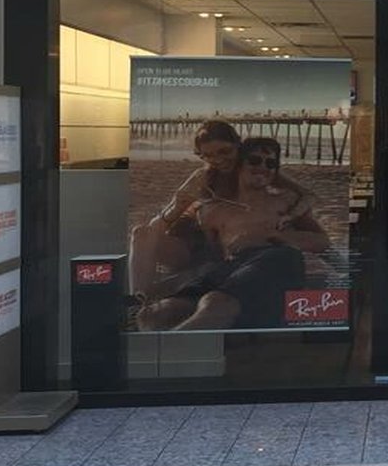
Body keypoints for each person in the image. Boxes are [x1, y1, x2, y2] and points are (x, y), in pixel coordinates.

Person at [138, 137, 332, 331]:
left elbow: (323, 241)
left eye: (271, 163)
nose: (263, 167)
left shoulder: (286, 201)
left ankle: (162, 355)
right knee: (157, 313)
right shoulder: (214, 210)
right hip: (232, 266)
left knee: (216, 303)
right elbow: (206, 252)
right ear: (239, 163)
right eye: (255, 161)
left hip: (276, 258)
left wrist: (276, 236)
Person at [128, 119, 314, 300]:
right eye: (208, 155)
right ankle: (138, 298)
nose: (218, 160)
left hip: (226, 253)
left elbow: (308, 195)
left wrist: (292, 215)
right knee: (141, 233)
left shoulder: (255, 167)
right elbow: (156, 228)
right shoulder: (203, 177)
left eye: (225, 151)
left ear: (238, 145)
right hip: (190, 245)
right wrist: (177, 206)